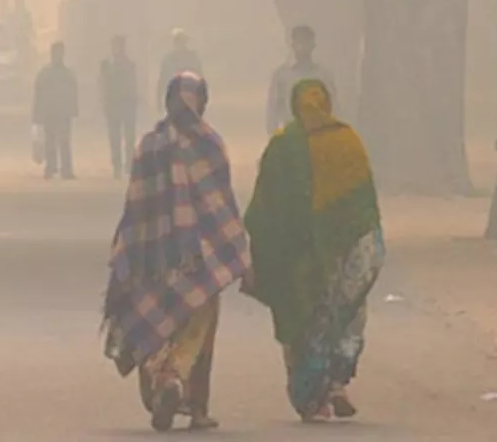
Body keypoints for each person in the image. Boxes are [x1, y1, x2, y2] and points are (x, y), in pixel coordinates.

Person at [102, 73, 251, 433]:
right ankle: (191, 399)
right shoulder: (210, 144)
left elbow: (136, 205)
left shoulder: (149, 144)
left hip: (150, 258)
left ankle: (161, 382)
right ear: (201, 102)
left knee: (157, 323)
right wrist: (238, 248)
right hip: (201, 259)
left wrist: (127, 252)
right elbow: (222, 204)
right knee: (200, 327)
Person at [242, 78, 386, 423]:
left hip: (296, 260)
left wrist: (259, 253)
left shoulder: (282, 145)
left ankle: (311, 398)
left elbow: (263, 209)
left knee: (300, 322)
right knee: (344, 316)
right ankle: (336, 383)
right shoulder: (347, 140)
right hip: (342, 251)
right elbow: (365, 205)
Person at [266, 24, 337, 134]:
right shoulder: (282, 76)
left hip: (318, 135)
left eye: (306, 43)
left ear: (313, 45)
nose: (302, 47)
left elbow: (335, 108)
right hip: (291, 135)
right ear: (292, 45)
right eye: (299, 43)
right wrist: (274, 138)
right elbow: (273, 110)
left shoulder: (323, 75)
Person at [33, 42, 79, 180]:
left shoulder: (67, 73)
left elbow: (73, 92)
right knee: (50, 141)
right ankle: (51, 167)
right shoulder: (45, 73)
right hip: (49, 112)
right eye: (57, 52)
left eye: (61, 52)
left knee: (64, 142)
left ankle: (66, 169)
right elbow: (38, 94)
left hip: (63, 112)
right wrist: (37, 114)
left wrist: (73, 109)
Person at [100, 35, 139, 179]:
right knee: (114, 137)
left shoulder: (130, 65)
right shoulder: (106, 65)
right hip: (113, 105)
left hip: (127, 104)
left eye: (120, 45)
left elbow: (132, 84)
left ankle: (128, 164)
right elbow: (103, 85)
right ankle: (116, 164)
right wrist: (104, 102)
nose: (118, 48)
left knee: (129, 137)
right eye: (115, 45)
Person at [156, 29, 203, 111]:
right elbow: (163, 80)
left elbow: (200, 78)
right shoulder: (169, 59)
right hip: (175, 98)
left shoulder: (192, 58)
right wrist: (159, 99)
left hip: (189, 97)